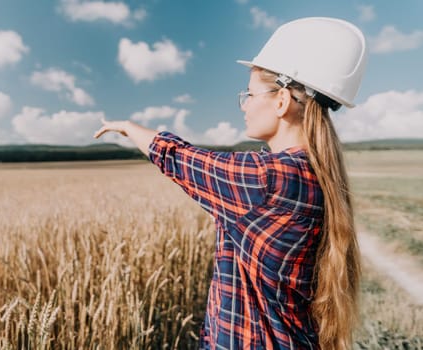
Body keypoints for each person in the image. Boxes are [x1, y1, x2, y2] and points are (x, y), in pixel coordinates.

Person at [94, 17, 368, 350]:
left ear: (281, 101)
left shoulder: (265, 180)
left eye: (250, 94)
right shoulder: (314, 172)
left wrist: (128, 128)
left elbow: (178, 158)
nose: (244, 105)